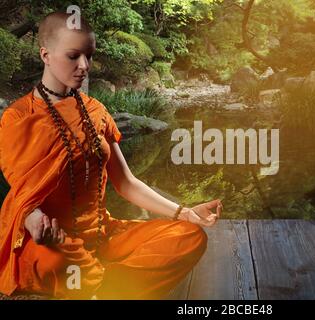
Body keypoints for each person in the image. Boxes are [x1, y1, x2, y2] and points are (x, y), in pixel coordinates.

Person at [0, 11, 222, 300]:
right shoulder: (18, 117)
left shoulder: (96, 111)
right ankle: (110, 284)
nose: (84, 66)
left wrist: (185, 212)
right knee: (54, 264)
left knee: (188, 237)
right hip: (53, 243)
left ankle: (101, 285)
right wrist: (36, 224)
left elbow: (127, 183)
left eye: (88, 56)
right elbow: (23, 198)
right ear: (45, 55)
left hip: (102, 234)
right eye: (73, 56)